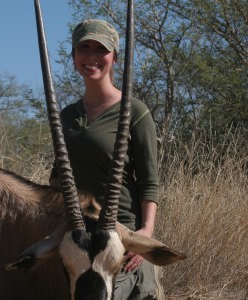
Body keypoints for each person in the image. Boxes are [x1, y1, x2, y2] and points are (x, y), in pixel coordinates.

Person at [49, 19, 165, 300]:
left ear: (114, 57)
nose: (91, 57)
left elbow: (149, 181)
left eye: (101, 49)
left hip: (119, 235)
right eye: (84, 48)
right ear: (73, 55)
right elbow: (56, 178)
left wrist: (143, 236)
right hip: (76, 237)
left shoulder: (135, 111)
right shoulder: (65, 115)